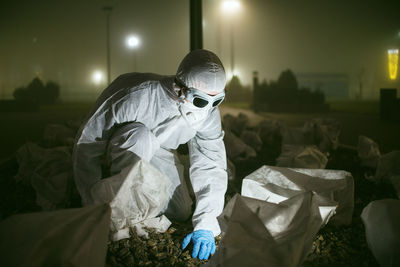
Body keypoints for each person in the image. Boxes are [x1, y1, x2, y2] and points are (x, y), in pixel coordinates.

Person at [73, 49, 228, 260]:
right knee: (141, 137)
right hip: (128, 143)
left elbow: (211, 161)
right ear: (180, 88)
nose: (207, 108)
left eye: (217, 100)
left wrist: (206, 223)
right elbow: (88, 143)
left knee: (181, 211)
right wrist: (90, 201)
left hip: (161, 149)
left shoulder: (208, 112)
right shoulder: (135, 96)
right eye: (200, 101)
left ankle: (136, 201)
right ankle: (121, 201)